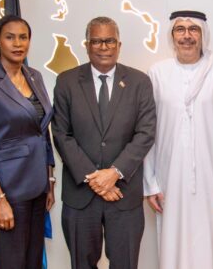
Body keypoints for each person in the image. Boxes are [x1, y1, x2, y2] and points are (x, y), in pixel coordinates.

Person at [52, 16, 156, 269]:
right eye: (96, 41)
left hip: (124, 195)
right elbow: (61, 134)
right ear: (86, 45)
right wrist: (95, 179)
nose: (103, 47)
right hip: (80, 197)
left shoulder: (139, 82)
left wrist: (114, 173)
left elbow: (145, 133)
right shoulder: (66, 82)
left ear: (119, 44)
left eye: (109, 40)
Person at [143, 10, 213, 269]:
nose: (187, 36)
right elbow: (147, 132)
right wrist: (151, 183)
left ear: (203, 34)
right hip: (169, 178)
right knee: (171, 245)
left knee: (211, 245)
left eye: (193, 29)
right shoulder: (157, 73)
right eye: (180, 30)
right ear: (172, 36)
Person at [0, 15, 55, 269]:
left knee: (32, 263)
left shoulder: (34, 76)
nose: (18, 43)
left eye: (23, 37)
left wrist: (49, 181)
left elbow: (42, 131)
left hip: (37, 190)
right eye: (10, 37)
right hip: (7, 191)